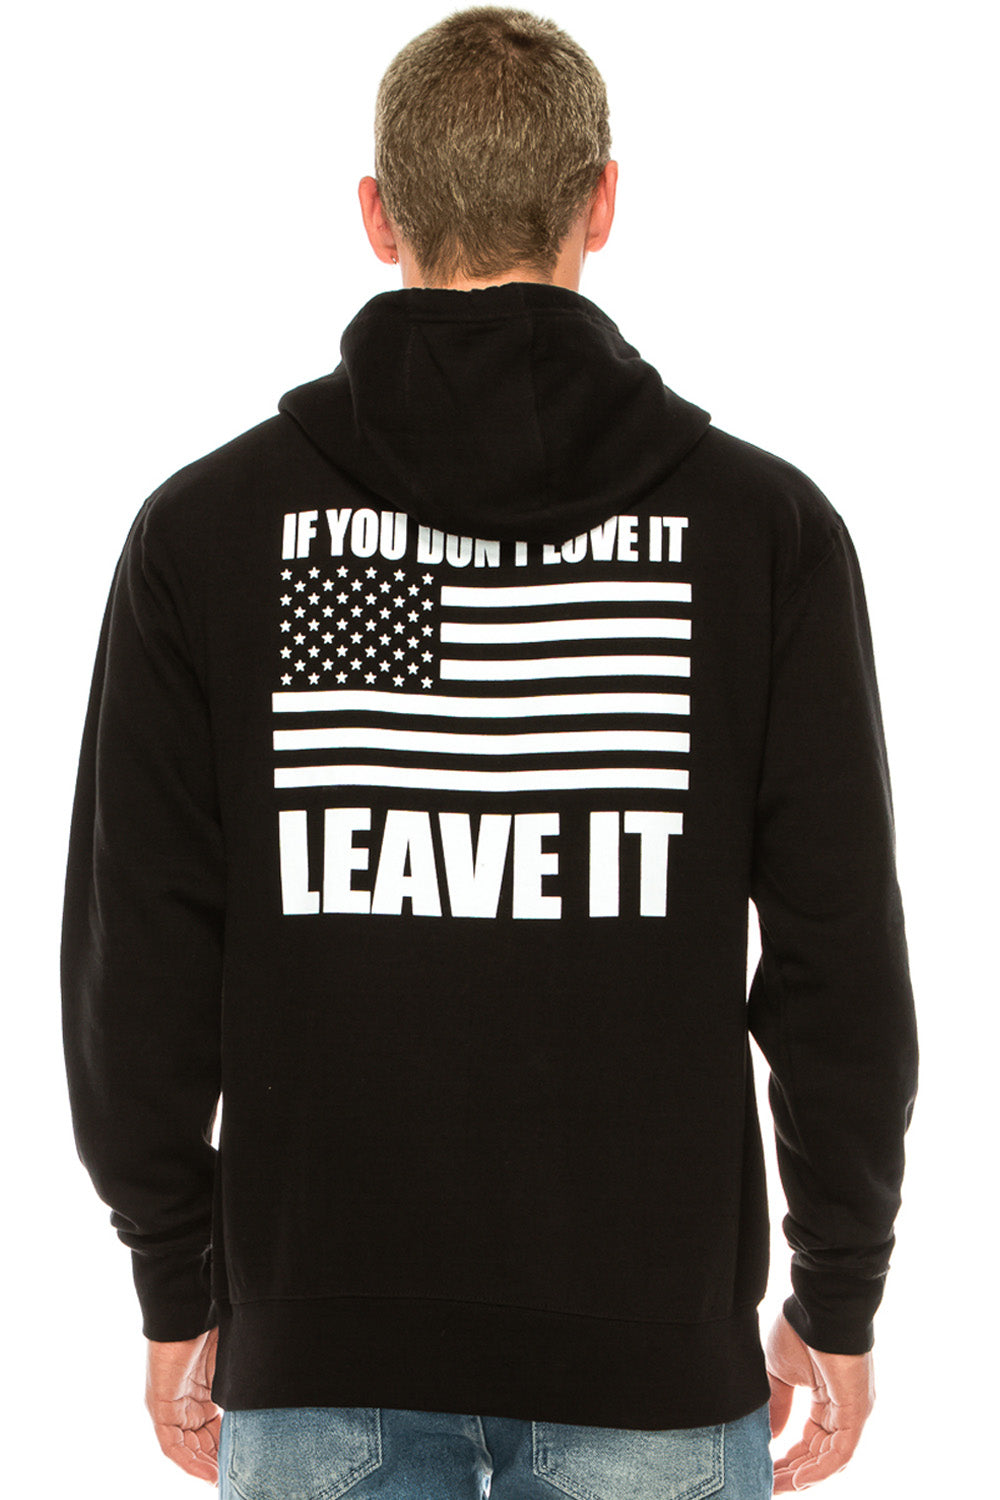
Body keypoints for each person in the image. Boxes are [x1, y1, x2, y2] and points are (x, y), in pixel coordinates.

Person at [60, 6, 918, 1497]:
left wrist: (172, 1277)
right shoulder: (763, 532)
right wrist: (837, 1288)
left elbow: (138, 960)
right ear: (604, 201)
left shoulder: (204, 533)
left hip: (320, 1354)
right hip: (651, 1367)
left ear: (378, 215)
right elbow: (839, 956)